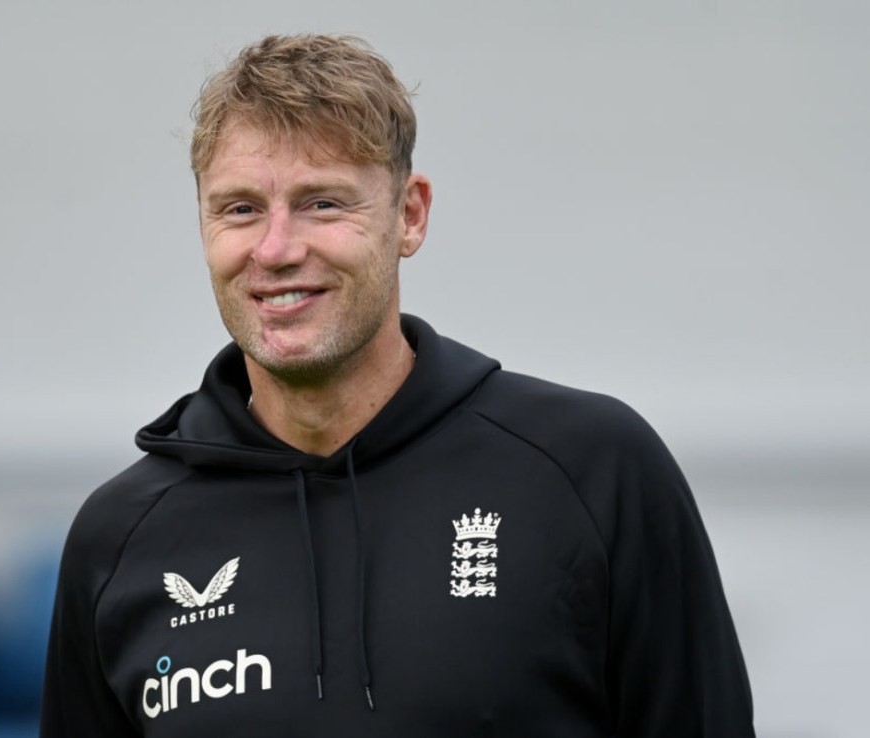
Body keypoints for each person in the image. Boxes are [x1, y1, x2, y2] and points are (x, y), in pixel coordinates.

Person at [40, 34, 755, 737]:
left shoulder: (592, 469)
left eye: (323, 203)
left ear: (408, 214)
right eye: (239, 209)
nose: (277, 249)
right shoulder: (120, 537)